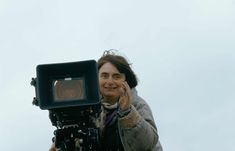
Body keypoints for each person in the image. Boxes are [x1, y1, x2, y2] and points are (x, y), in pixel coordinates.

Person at [49, 50, 163, 151]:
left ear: (126, 81)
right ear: (95, 79)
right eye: (104, 76)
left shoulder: (138, 105)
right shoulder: (88, 110)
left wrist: (127, 112)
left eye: (116, 76)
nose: (110, 81)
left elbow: (145, 144)